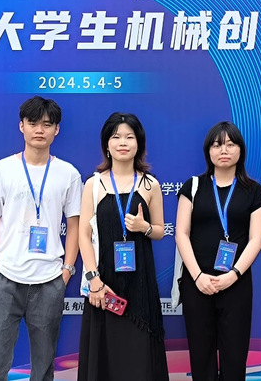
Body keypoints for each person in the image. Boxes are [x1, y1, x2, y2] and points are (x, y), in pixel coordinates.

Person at [0, 96, 82, 381]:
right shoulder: (1, 170)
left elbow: (75, 225)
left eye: (47, 124)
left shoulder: (69, 174)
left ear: (56, 130)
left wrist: (66, 270)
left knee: (44, 365)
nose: (39, 130)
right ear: (21, 126)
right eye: (33, 123)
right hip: (6, 278)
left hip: (49, 280)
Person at [77, 112, 169, 381]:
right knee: (105, 357)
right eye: (116, 137)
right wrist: (94, 280)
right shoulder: (94, 184)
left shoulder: (150, 184)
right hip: (104, 284)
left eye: (129, 137)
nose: (123, 143)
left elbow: (160, 231)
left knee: (138, 358)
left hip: (140, 286)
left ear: (139, 144)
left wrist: (144, 227)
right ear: (107, 144)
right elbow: (83, 234)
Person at [175, 121, 261, 381]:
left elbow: (256, 240)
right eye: (217, 145)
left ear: (241, 150)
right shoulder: (193, 186)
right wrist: (197, 276)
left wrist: (233, 275)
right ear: (208, 151)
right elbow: (181, 234)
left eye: (230, 144)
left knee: (234, 357)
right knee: (201, 355)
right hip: (197, 283)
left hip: (236, 283)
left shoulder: (253, 190)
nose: (223, 150)